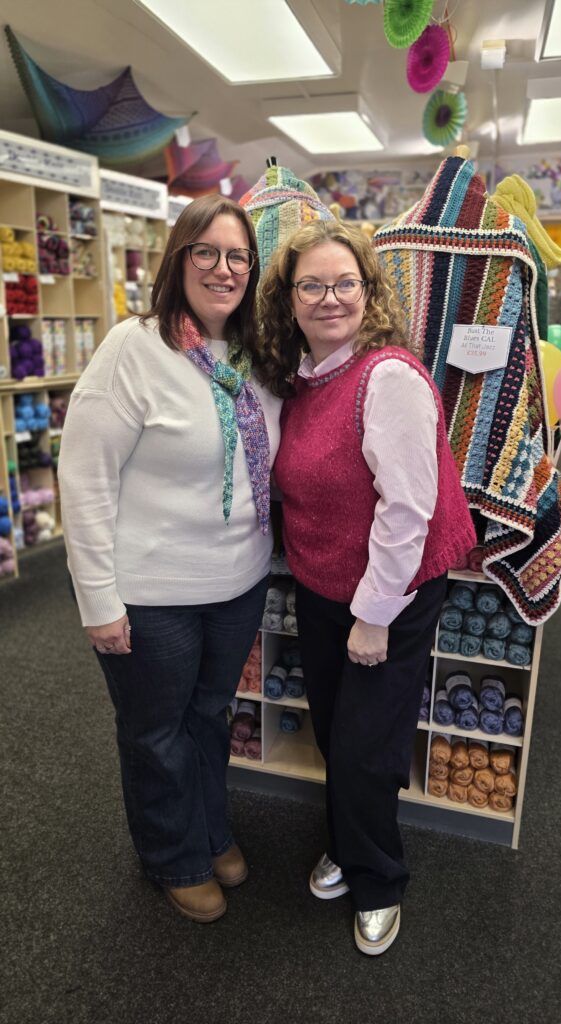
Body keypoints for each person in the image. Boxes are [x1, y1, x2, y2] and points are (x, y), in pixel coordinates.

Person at [58, 195, 281, 923]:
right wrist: (98, 600)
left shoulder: (254, 355)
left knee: (209, 717)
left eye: (238, 255)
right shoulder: (133, 348)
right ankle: (171, 855)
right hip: (152, 593)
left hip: (237, 583)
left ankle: (210, 831)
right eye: (206, 253)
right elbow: (84, 477)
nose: (223, 269)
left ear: (253, 268)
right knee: (155, 733)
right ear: (179, 260)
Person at [258, 219, 476, 956]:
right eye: (310, 285)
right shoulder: (304, 381)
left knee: (365, 746)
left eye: (342, 283)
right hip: (324, 586)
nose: (327, 298)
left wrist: (375, 616)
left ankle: (377, 878)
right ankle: (349, 845)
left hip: (391, 593)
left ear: (367, 291)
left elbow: (408, 509)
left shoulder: (384, 378)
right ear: (288, 300)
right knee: (334, 731)